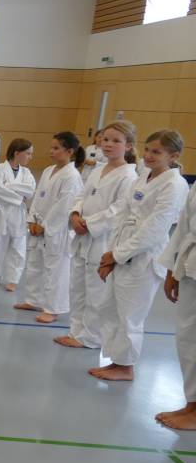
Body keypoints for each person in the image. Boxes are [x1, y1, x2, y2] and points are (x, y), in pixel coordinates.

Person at [90, 129, 188, 382]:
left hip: (144, 258)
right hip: (122, 249)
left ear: (173, 156)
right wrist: (111, 253)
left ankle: (126, 366)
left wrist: (117, 255)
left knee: (130, 315)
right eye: (147, 149)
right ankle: (115, 359)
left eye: (157, 152)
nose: (149, 155)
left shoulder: (174, 185)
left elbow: (154, 230)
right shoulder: (143, 176)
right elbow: (122, 215)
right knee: (109, 308)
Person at [54, 122, 138, 349]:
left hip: (103, 240)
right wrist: (75, 214)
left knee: (95, 292)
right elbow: (80, 196)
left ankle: (91, 337)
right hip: (82, 238)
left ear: (129, 146)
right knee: (77, 289)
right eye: (105, 139)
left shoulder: (129, 177)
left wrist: (89, 224)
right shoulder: (97, 170)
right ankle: (75, 331)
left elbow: (118, 210)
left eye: (116, 141)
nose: (108, 144)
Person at [14, 132, 85, 323]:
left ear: (69, 151)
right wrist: (32, 220)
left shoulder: (72, 176)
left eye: (56, 148)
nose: (51, 151)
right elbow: (38, 197)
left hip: (57, 230)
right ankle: (33, 299)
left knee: (56, 270)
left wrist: (45, 226)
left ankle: (54, 308)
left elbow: (64, 205)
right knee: (35, 265)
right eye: (51, 147)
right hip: (38, 225)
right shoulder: (48, 170)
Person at [155, 173, 196, 430]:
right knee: (187, 337)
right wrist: (172, 268)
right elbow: (183, 226)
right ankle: (192, 403)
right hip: (190, 263)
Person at [0, 139, 35, 292]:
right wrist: (19, 197)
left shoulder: (26, 173)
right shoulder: (0, 169)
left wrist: (10, 186)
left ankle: (13, 280)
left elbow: (30, 190)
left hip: (19, 214)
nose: (30, 157)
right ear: (17, 153)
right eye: (28, 153)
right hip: (2, 212)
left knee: (18, 248)